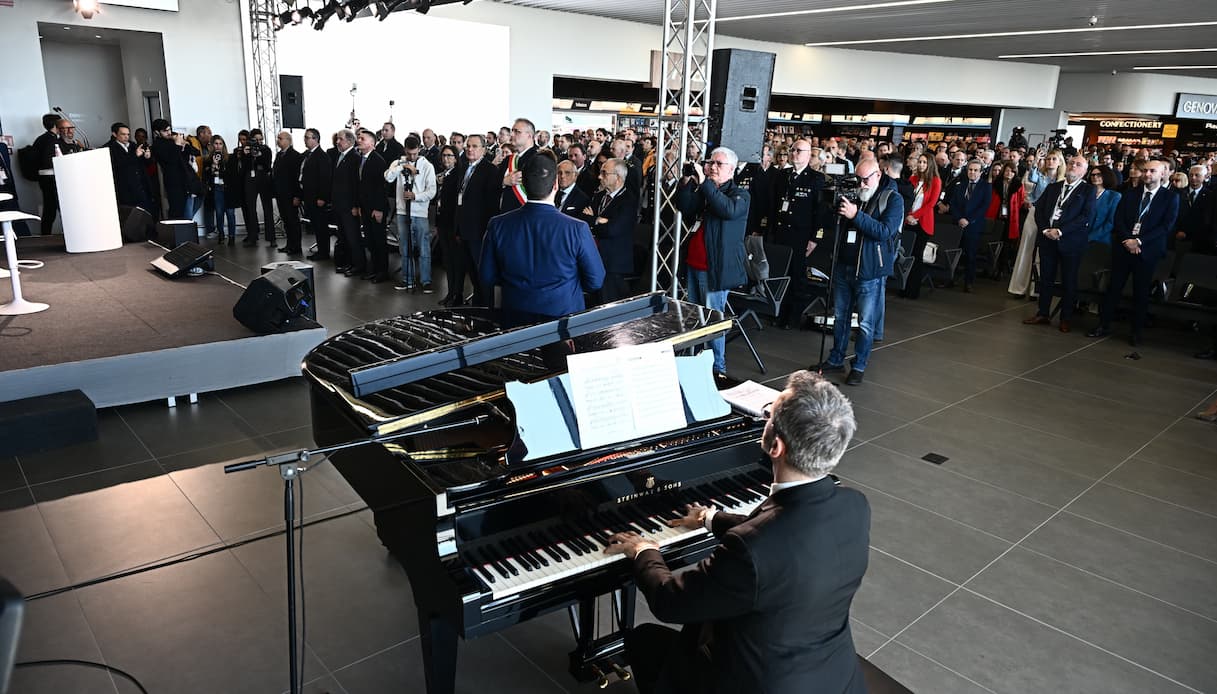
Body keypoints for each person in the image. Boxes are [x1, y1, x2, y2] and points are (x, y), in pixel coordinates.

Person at [607, 370, 870, 694]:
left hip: (756, 684)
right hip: (832, 674)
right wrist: (709, 518)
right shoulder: (855, 506)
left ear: (776, 446)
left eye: (768, 414)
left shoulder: (750, 549)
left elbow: (669, 602)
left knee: (645, 641)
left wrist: (645, 551)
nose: (763, 417)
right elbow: (786, 542)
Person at [480, 151, 605, 327]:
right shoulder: (577, 228)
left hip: (515, 316)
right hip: (562, 319)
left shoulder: (498, 225)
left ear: (523, 184)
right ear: (555, 185)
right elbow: (596, 280)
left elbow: (487, 276)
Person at [815, 158, 904, 385]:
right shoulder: (854, 194)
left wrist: (856, 215)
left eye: (865, 179)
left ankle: (859, 365)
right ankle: (836, 359)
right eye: (858, 179)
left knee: (865, 323)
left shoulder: (893, 199)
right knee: (840, 317)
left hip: (870, 269)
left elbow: (884, 231)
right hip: (844, 264)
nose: (861, 184)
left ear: (878, 175)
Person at [1087, 158, 1180, 346]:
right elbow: (1119, 219)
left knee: (1141, 292)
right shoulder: (1130, 194)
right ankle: (1103, 325)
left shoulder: (1170, 197)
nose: (1147, 174)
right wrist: (1127, 240)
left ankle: (1136, 332)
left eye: (1152, 171)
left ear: (1163, 174)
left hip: (1147, 250)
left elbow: (1166, 226)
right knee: (1113, 288)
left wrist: (1138, 241)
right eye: (1145, 170)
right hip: (1123, 247)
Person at [675, 147, 750, 375]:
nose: (713, 167)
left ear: (732, 169)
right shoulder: (707, 191)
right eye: (712, 163)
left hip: (715, 269)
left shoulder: (739, 195)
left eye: (719, 164)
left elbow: (726, 210)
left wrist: (705, 183)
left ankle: (717, 367)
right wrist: (688, 181)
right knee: (695, 318)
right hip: (694, 264)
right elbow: (685, 206)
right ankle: (696, 363)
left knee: (712, 319)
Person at [1023, 154, 1093, 333]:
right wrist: (1046, 229)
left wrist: (1060, 231)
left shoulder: (1087, 191)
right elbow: (1039, 211)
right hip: (1048, 239)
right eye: (1070, 163)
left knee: (1069, 281)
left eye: (1078, 165)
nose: (1073, 166)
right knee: (1046, 278)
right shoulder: (1053, 187)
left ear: (1085, 171)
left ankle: (1065, 318)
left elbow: (1085, 217)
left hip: (1070, 241)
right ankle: (1043, 313)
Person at [438, 134, 501, 306]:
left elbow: (491, 205)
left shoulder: (490, 170)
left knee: (482, 275)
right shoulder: (464, 167)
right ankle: (476, 306)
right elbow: (460, 198)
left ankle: (486, 309)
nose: (470, 149)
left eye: (474, 146)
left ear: (483, 149)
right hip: (463, 229)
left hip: (479, 231)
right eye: (468, 147)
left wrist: (486, 232)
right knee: (471, 273)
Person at [771, 139, 827, 329]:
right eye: (792, 150)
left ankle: (792, 317)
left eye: (799, 151)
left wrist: (815, 238)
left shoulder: (816, 179)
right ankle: (778, 312)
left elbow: (820, 212)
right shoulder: (782, 175)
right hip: (780, 232)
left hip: (800, 235)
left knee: (796, 277)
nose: (794, 154)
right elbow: (774, 205)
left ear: (809, 154)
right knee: (779, 274)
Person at [385, 135, 437, 292]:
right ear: (405, 150)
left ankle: (426, 280)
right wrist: (403, 166)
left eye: (415, 153)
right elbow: (388, 177)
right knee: (404, 247)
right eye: (409, 153)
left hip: (420, 212)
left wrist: (416, 196)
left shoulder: (427, 166)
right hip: (402, 212)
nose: (412, 157)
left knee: (423, 248)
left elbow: (432, 191)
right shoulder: (398, 162)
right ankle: (407, 279)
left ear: (419, 149)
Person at [586, 158, 641, 303]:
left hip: (614, 264)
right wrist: (599, 220)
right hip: (595, 258)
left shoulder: (628, 201)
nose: (599, 177)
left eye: (604, 173)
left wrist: (594, 220)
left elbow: (612, 230)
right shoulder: (599, 196)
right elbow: (584, 219)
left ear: (617, 177)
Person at [901, 152, 941, 299]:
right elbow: (907, 198)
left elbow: (931, 204)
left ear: (930, 164)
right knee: (906, 255)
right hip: (909, 221)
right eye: (920, 162)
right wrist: (908, 216)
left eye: (924, 162)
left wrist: (915, 216)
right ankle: (903, 286)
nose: (921, 165)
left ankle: (913, 290)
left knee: (917, 257)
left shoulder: (936, 181)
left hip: (923, 223)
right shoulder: (913, 178)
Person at [353, 129, 391, 282]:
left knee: (379, 241)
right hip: (366, 207)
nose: (359, 140)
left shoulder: (378, 161)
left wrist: (379, 209)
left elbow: (382, 188)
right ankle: (374, 269)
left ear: (371, 143)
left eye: (362, 139)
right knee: (370, 241)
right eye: (359, 138)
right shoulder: (361, 159)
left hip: (376, 208)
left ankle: (382, 272)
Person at [948, 159, 992, 292]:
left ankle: (969, 282)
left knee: (971, 255)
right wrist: (959, 218)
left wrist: (968, 219)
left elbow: (984, 207)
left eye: (975, 170)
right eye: (970, 170)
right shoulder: (960, 184)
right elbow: (953, 203)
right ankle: (950, 278)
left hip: (973, 225)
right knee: (955, 253)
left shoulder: (985, 186)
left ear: (981, 172)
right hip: (958, 224)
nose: (972, 172)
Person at [149, 118, 201, 220]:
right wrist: (177, 145)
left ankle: (186, 223)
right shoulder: (157, 145)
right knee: (178, 210)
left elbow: (196, 152)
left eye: (169, 129)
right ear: (157, 132)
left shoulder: (173, 140)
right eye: (165, 131)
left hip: (188, 178)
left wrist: (185, 144)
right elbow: (170, 160)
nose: (169, 133)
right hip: (174, 182)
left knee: (198, 198)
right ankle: (183, 228)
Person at [329, 129, 361, 276]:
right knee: (343, 236)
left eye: (340, 139)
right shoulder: (340, 156)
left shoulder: (354, 158)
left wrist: (355, 205)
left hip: (349, 206)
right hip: (339, 204)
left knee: (352, 237)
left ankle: (357, 265)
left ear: (349, 141)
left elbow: (355, 184)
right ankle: (348, 263)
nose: (337, 142)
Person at [298, 128, 333, 260]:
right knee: (316, 225)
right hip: (309, 195)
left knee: (321, 226)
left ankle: (324, 252)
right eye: (305, 137)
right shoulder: (307, 155)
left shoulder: (322, 156)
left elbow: (325, 178)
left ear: (315, 139)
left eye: (307, 137)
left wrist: (322, 197)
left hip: (318, 197)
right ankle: (320, 250)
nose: (305, 140)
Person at [105, 122, 155, 213]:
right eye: (123, 134)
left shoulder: (133, 145)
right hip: (125, 191)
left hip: (140, 188)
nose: (126, 137)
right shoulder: (109, 148)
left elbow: (143, 165)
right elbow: (118, 165)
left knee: (145, 216)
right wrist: (135, 156)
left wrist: (147, 157)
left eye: (128, 134)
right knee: (131, 219)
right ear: (114, 134)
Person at [203, 134, 239, 244]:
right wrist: (213, 165)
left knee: (230, 213)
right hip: (217, 188)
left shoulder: (230, 158)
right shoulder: (208, 160)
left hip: (228, 189)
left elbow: (232, 175)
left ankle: (232, 236)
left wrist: (221, 169)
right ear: (212, 145)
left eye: (220, 144)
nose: (218, 146)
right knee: (219, 213)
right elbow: (206, 176)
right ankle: (221, 234)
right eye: (216, 144)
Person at [271, 131, 303, 254]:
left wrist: (297, 195)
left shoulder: (295, 156)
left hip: (291, 194)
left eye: (280, 138)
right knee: (286, 220)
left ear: (288, 140)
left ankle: (296, 246)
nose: (278, 140)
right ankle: (289, 244)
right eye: (277, 138)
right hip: (281, 194)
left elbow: (296, 177)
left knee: (293, 221)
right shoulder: (279, 155)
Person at [500, 118, 539, 213]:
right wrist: (504, 181)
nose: (512, 134)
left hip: (528, 216)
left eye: (517, 132)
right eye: (512, 131)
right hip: (506, 215)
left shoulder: (540, 159)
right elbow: (493, 184)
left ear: (529, 135)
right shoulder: (508, 159)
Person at [1086, 165, 1121, 244]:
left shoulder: (1114, 196)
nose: (1095, 177)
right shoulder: (1086, 193)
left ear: (1106, 175)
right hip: (1080, 236)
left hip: (1101, 240)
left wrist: (1090, 237)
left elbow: (1110, 222)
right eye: (1093, 175)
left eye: (1099, 174)